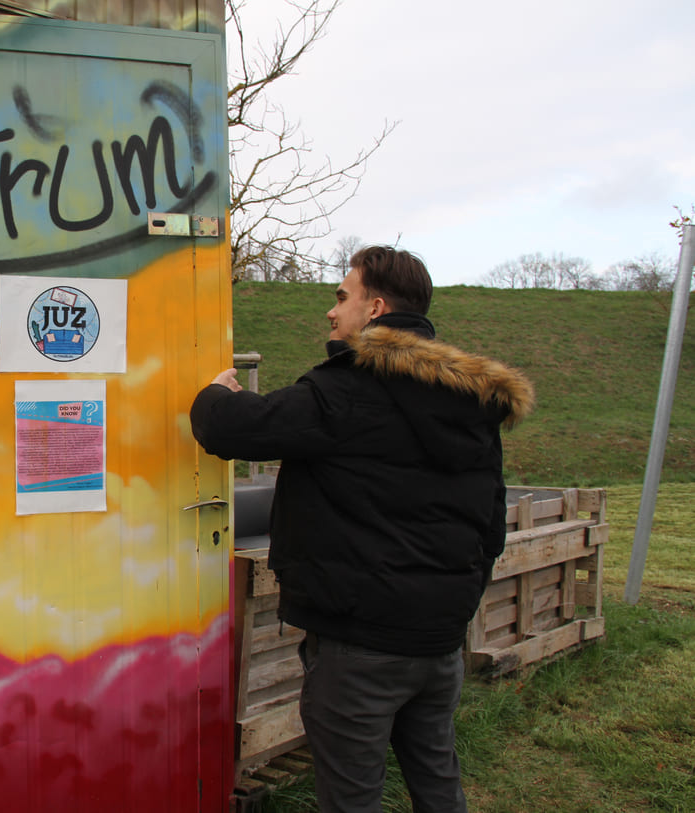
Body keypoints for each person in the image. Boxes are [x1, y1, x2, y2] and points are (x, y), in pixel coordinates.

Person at [190, 245, 534, 812]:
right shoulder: (470, 402)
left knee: (350, 799)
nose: (332, 311)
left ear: (374, 309)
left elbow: (232, 430)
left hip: (360, 647)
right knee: (438, 785)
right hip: (439, 642)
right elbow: (489, 521)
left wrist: (216, 394)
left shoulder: (349, 388)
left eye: (341, 296)